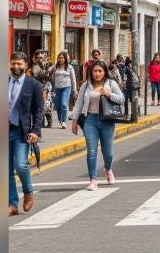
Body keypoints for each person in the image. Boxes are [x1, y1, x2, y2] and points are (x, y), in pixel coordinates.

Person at [69, 60, 125, 191]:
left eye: (100, 71)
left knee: (108, 152)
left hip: (107, 120)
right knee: (92, 150)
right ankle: (93, 179)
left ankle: (108, 169)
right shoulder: (86, 85)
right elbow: (78, 104)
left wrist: (108, 93)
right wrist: (74, 121)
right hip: (90, 120)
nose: (97, 74)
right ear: (91, 72)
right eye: (95, 71)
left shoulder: (111, 84)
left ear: (105, 72)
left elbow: (122, 99)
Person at [7, 52, 44, 216]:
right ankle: (12, 204)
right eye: (13, 63)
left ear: (26, 65)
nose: (16, 67)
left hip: (21, 130)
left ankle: (28, 191)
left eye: (19, 64)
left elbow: (38, 111)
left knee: (21, 165)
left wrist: (35, 131)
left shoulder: (33, 85)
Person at [50, 51, 77, 128]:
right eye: (59, 58)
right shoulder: (55, 66)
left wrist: (74, 89)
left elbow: (73, 79)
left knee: (64, 104)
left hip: (66, 88)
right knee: (58, 106)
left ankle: (64, 121)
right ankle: (60, 120)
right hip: (57, 88)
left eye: (62, 58)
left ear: (65, 58)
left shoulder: (70, 67)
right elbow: (50, 73)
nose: (60, 59)